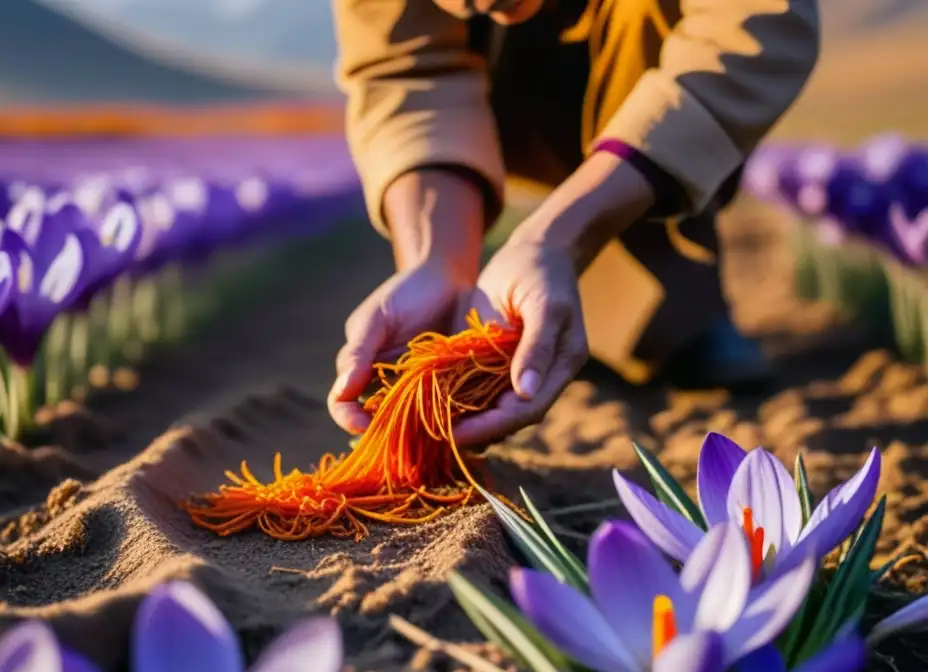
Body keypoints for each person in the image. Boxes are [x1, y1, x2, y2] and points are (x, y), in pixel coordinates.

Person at [327, 0, 819, 446]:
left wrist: (558, 238)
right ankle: (604, 289)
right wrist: (439, 262)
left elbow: (753, 26)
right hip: (510, 85)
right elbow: (405, 68)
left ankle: (652, 272)